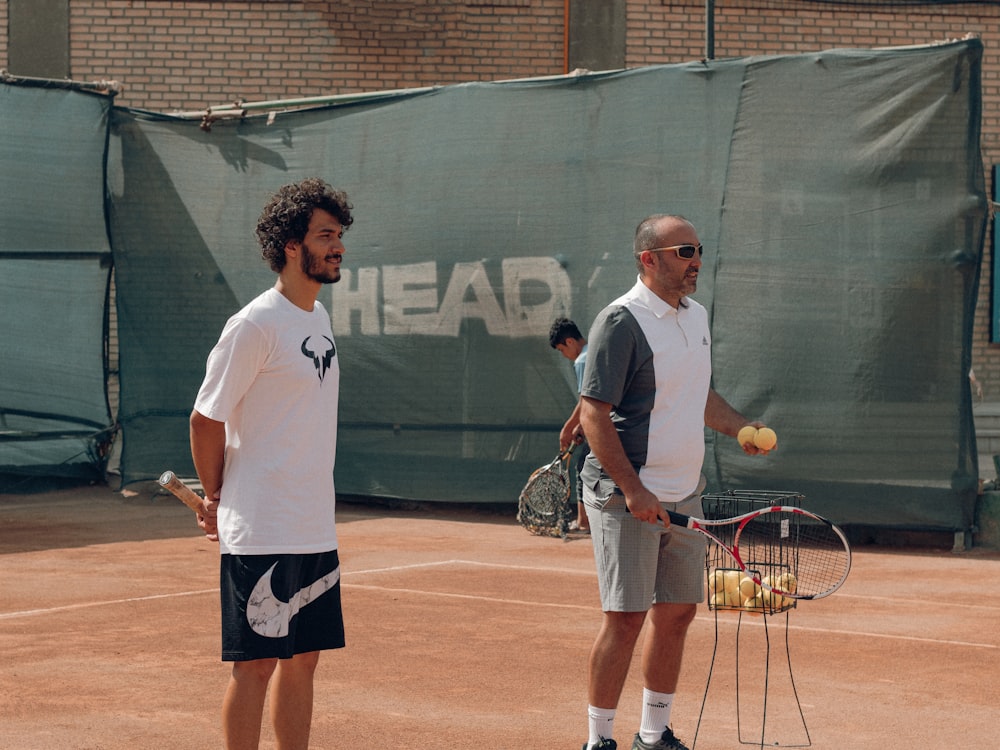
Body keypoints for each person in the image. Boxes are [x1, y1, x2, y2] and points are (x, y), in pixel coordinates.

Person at [577, 215, 771, 750]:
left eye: (698, 250)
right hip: (628, 494)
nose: (696, 263)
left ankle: (653, 734)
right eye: (684, 251)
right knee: (626, 619)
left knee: (679, 613)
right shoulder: (621, 321)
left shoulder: (697, 315)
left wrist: (740, 428)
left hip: (686, 490)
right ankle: (598, 741)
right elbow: (593, 412)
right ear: (649, 259)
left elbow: (699, 394)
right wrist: (634, 491)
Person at [188, 178, 354, 750]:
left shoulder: (319, 319)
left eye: (339, 235)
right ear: (290, 244)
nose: (337, 246)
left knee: (304, 659)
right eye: (325, 235)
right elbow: (205, 419)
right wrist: (215, 496)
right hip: (260, 528)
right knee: (256, 664)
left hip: (313, 522)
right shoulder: (254, 325)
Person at [548, 317, 590, 532]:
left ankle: (584, 522)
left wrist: (568, 427)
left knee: (584, 468)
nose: (564, 356)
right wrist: (581, 425)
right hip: (617, 423)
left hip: (603, 426)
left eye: (562, 350)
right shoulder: (597, 350)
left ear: (570, 342)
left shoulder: (583, 360)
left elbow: (587, 399)